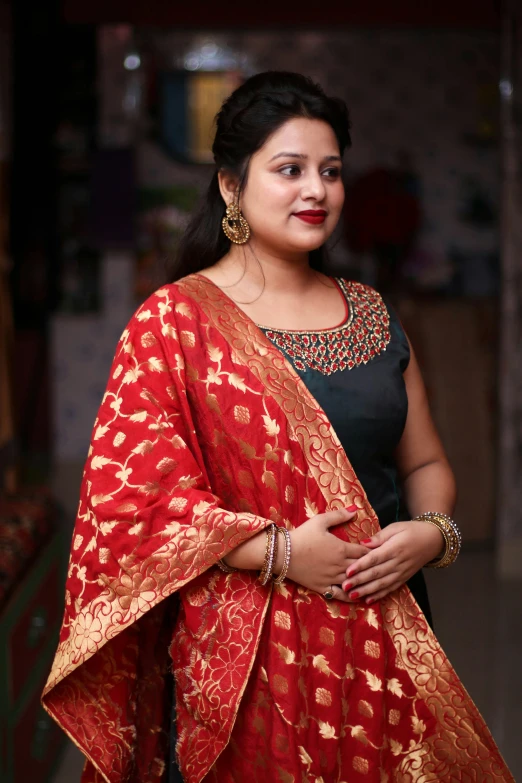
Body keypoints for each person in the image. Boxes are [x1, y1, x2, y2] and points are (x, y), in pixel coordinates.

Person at [43, 72, 513, 783]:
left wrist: (432, 532)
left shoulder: (373, 313)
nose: (316, 191)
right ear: (231, 186)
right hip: (247, 659)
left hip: (388, 636)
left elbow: (425, 465)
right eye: (289, 169)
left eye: (330, 171)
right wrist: (279, 550)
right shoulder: (175, 323)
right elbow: (129, 505)